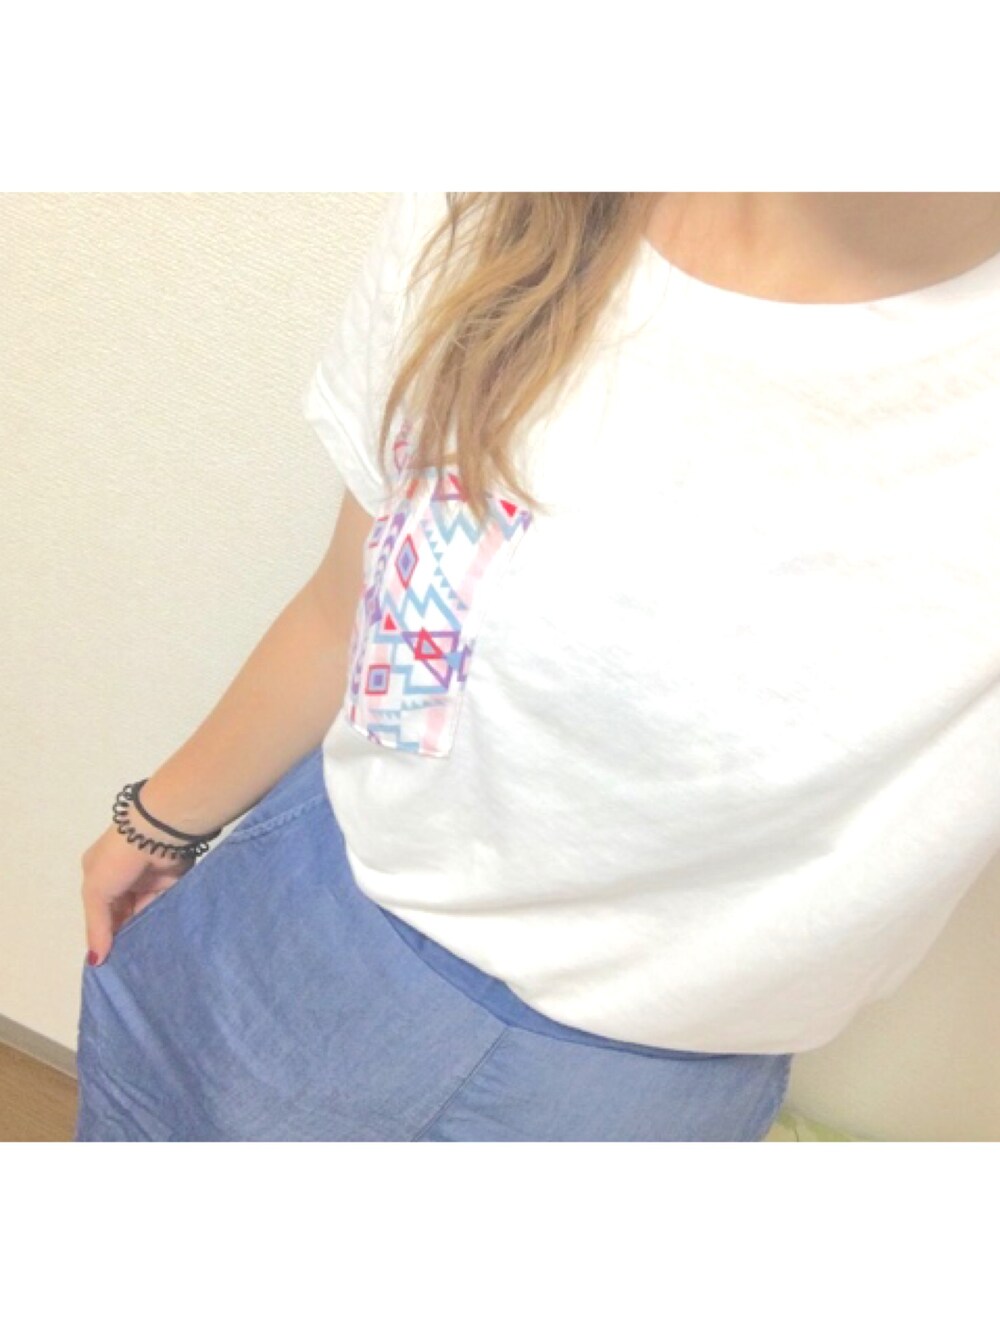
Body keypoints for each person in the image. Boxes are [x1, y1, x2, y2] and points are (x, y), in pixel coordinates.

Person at [74, 192, 1000, 1141]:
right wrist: (160, 818)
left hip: (610, 1083)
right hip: (289, 900)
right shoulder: (497, 207)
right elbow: (352, 605)